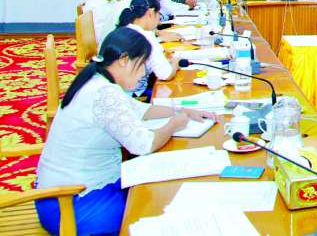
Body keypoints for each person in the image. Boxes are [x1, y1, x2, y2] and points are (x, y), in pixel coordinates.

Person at [35, 27, 217, 235]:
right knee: (155, 210)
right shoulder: (104, 92)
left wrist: (182, 110)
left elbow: (139, 110)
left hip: (69, 194)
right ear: (124, 60)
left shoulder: (97, 80)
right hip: (71, 204)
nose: (143, 73)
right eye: (142, 65)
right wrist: (174, 124)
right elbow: (143, 145)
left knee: (159, 195)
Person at [118, 0, 179, 96]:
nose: (159, 20)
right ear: (151, 13)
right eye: (159, 14)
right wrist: (176, 63)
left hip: (120, 91)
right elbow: (166, 75)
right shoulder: (146, 36)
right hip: (136, 95)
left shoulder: (124, 29)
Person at [99, 0, 182, 44]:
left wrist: (158, 33)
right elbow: (129, 43)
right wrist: (160, 39)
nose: (159, 2)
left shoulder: (138, 6)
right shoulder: (127, 8)